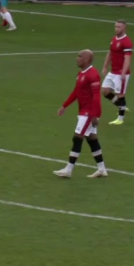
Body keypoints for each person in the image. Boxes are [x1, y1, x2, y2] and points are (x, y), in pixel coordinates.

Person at [54, 50, 108, 178]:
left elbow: (96, 97)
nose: (77, 58)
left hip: (89, 113)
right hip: (84, 111)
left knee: (77, 138)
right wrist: (64, 106)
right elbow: (76, 92)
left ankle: (68, 169)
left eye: (80, 56)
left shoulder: (93, 75)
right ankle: (101, 169)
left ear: (87, 59)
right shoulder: (81, 74)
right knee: (92, 139)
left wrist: (95, 115)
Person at [101, 20, 133, 125]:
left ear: (124, 28)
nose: (116, 29)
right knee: (105, 91)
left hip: (121, 73)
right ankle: (122, 106)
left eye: (119, 27)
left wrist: (123, 72)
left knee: (120, 95)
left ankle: (120, 119)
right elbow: (110, 53)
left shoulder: (127, 42)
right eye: (115, 26)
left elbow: (127, 58)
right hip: (112, 72)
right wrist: (105, 66)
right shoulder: (113, 39)